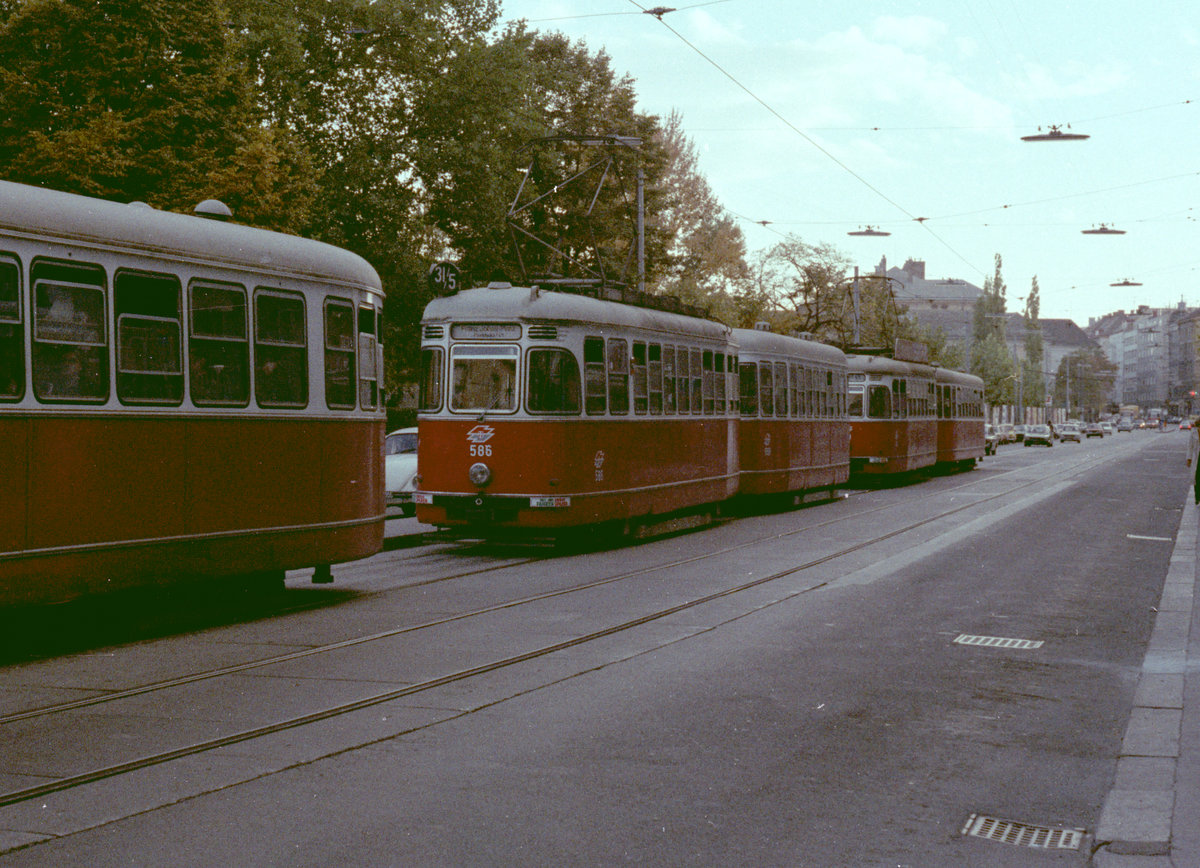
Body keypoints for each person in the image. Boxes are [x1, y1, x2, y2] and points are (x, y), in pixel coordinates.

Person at [1187, 421, 1200, 504]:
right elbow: (1190, 446)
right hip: (1197, 458)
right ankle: (1197, 497)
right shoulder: (1193, 433)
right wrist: (1189, 458)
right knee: (1196, 478)